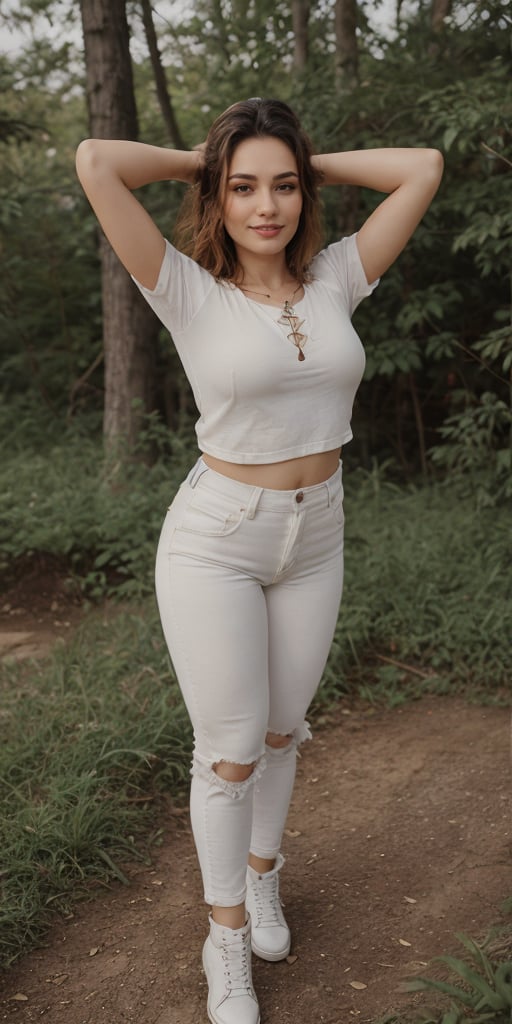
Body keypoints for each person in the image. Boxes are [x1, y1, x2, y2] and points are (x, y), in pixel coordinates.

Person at [76, 97, 443, 1024]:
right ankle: (226, 936)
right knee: (232, 751)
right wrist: (211, 155)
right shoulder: (185, 286)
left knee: (284, 730)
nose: (265, 205)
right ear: (218, 197)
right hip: (218, 540)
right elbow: (95, 161)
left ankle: (263, 875)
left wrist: (301, 161)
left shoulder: (334, 278)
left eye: (282, 185)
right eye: (243, 188)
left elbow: (422, 166)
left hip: (317, 532)